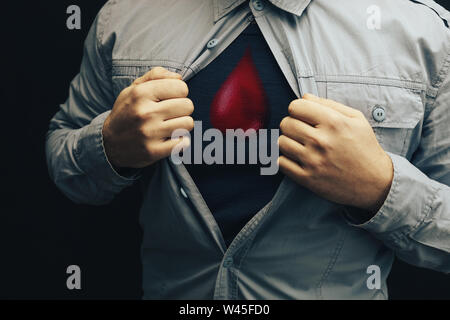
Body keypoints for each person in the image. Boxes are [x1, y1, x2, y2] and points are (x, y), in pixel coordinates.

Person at [46, 0, 450, 299]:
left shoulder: (420, 33)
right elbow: (64, 162)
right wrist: (109, 146)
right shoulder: (125, 17)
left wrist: (381, 188)